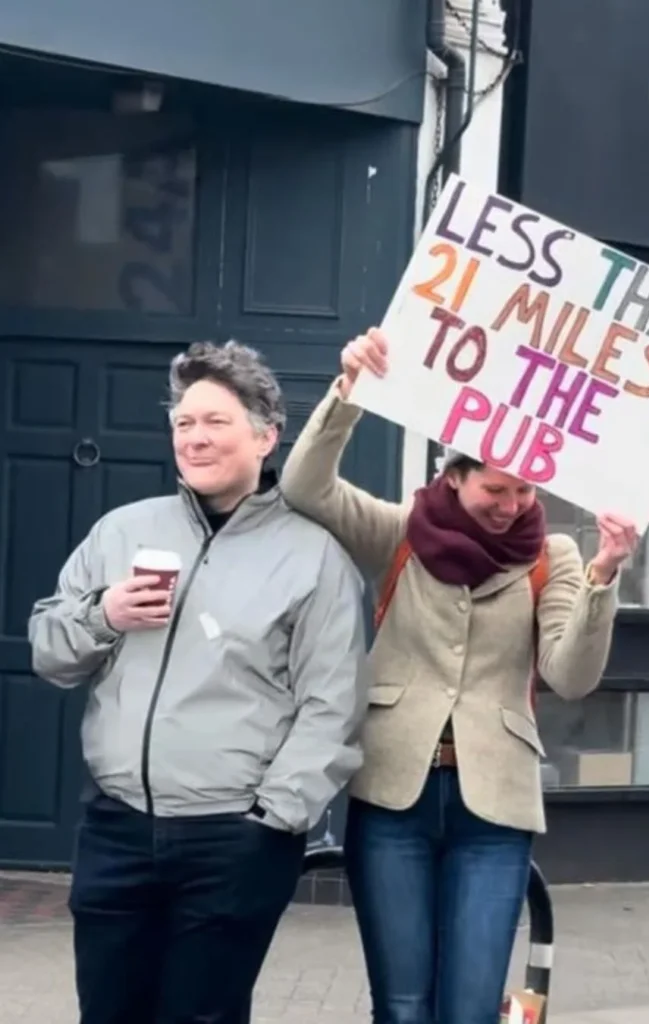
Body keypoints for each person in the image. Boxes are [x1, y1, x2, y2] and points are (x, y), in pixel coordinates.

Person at [279, 326, 646, 1024]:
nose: (511, 505)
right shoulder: (400, 533)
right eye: (494, 489)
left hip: (493, 807)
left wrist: (603, 576)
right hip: (392, 796)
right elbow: (305, 486)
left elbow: (569, 676)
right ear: (454, 475)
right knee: (403, 1003)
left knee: (472, 1008)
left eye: (524, 490)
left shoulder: (553, 556)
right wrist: (349, 389)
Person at [28, 340, 368, 1024]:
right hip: (117, 828)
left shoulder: (313, 559)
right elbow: (49, 652)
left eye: (214, 421)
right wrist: (105, 614)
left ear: (265, 435)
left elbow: (331, 706)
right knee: (108, 1012)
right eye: (184, 422)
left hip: (232, 839)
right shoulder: (121, 531)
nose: (195, 437)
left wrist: (272, 820)